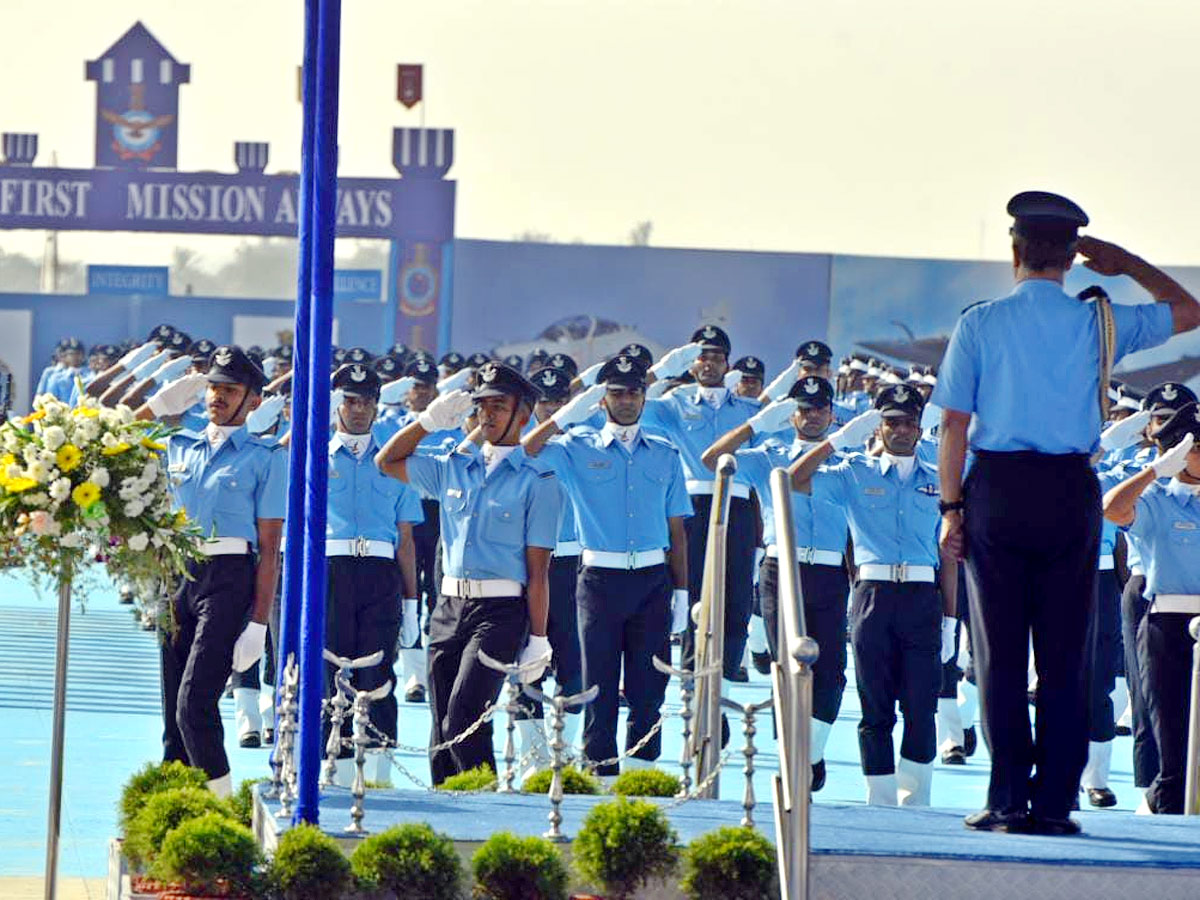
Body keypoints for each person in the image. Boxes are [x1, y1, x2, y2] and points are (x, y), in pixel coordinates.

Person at [934, 190, 1200, 834]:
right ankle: (1055, 802)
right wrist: (1127, 262)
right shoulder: (1098, 321)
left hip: (997, 487)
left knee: (997, 649)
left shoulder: (982, 322)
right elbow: (1189, 309)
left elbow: (952, 426)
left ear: (1015, 250)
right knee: (1064, 651)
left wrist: (950, 508)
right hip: (1069, 491)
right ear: (1073, 256)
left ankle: (1005, 798)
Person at [376, 361, 559, 783]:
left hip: (501, 612)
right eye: (482, 406)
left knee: (464, 718)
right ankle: (447, 819)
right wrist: (427, 422)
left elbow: (539, 571)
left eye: (499, 406)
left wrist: (538, 638)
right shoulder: (455, 466)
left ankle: (484, 814)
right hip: (448, 606)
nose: (488, 415)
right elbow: (389, 461)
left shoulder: (539, 480)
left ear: (523, 414)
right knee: (440, 729)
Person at [522, 354, 692, 779]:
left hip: (653, 579)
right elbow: (526, 452)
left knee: (649, 685)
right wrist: (563, 416)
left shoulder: (665, 454)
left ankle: (641, 777)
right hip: (599, 579)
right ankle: (600, 774)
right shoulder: (575, 447)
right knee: (597, 684)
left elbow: (677, 529)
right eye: (616, 393)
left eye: (633, 392)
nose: (626, 401)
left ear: (645, 396)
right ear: (601, 400)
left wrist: (683, 591)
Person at [789, 384, 956, 807]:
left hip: (923, 595)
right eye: (891, 422)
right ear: (878, 426)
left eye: (908, 423)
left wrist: (952, 619)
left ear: (921, 428)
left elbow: (950, 551)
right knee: (875, 704)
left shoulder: (939, 480)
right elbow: (795, 479)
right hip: (872, 596)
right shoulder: (853, 471)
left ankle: (915, 801)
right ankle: (880, 800)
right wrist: (837, 440)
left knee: (921, 707)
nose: (900, 430)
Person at [135, 345, 285, 797]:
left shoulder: (265, 458)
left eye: (230, 390)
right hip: (178, 576)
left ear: (254, 401)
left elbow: (269, 547)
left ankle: (222, 809)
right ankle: (172, 809)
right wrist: (160, 405)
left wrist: (258, 624)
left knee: (194, 704)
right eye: (213, 388)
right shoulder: (180, 443)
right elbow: (121, 439)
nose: (217, 397)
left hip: (228, 578)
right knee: (172, 715)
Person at [703, 375, 850, 791]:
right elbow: (711, 460)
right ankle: (792, 753)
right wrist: (756, 424)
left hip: (829, 570)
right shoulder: (770, 452)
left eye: (820, 407)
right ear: (791, 414)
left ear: (832, 412)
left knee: (833, 671)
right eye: (803, 408)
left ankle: (812, 752)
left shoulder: (849, 453)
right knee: (787, 667)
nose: (812, 415)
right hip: (780, 569)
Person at [322, 362, 423, 786]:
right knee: (333, 673)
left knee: (378, 673)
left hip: (380, 575)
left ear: (379, 407)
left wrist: (411, 603)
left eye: (367, 401)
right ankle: (340, 770)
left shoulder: (393, 461)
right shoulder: (315, 456)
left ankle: (380, 775)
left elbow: (406, 539)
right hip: (332, 572)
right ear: (336, 404)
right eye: (350, 400)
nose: (359, 409)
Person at [640, 325, 760, 679]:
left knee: (737, 592)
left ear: (727, 363)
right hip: (693, 506)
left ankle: (727, 668)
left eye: (716, 357)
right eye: (702, 356)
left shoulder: (749, 409)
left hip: (736, 505)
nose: (709, 363)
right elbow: (625, 399)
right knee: (693, 589)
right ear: (692, 364)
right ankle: (693, 673)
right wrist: (659, 372)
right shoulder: (675, 404)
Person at [1102, 403, 1200, 813]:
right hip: (1168, 626)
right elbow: (1112, 508)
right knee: (1174, 746)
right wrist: (1154, 472)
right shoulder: (1158, 499)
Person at [512, 366, 586, 769]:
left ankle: (564, 751)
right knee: (528, 659)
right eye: (545, 401)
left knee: (574, 661)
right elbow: (525, 448)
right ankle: (533, 755)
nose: (553, 407)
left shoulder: (586, 443)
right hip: (529, 562)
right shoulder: (523, 444)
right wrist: (556, 423)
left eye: (561, 400)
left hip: (574, 561)